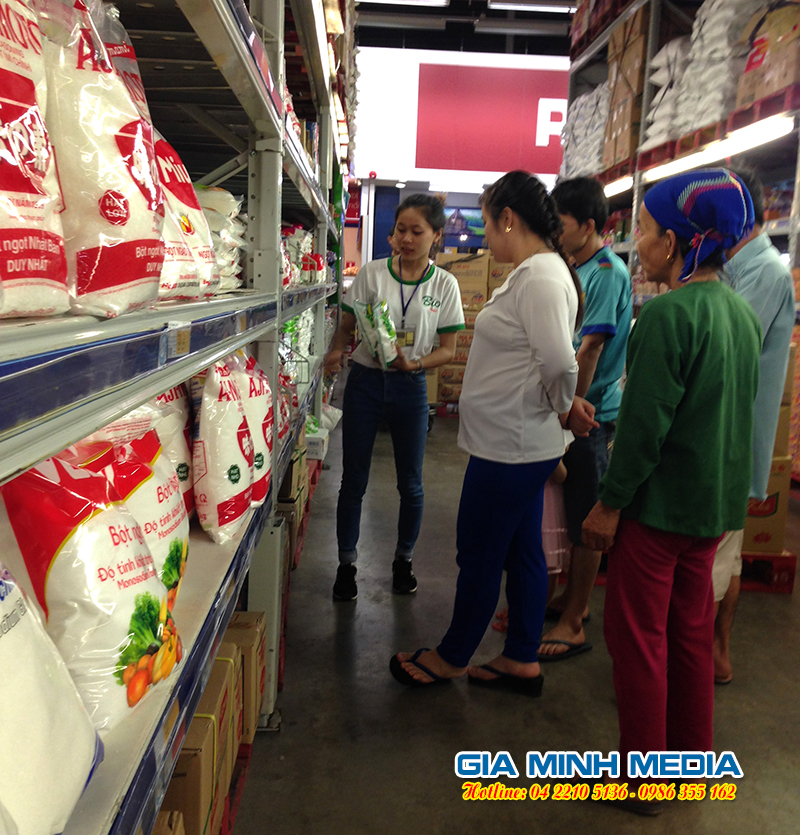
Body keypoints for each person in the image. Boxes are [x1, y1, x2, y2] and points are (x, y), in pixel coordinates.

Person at [582, 169, 762, 815]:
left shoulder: (664, 316)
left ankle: (642, 781)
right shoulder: (741, 315)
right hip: (712, 508)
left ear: (678, 241)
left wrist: (610, 502)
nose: (639, 243)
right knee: (689, 634)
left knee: (637, 639)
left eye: (646, 230)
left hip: (658, 510)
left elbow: (643, 427)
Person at [389, 170, 585, 694]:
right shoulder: (535, 273)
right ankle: (521, 657)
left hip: (510, 449)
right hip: (514, 444)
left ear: (508, 219)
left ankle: (453, 656)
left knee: (478, 552)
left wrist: (563, 409)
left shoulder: (541, 278)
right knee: (523, 553)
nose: (484, 236)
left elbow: (559, 364)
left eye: (487, 222)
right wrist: (560, 407)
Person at [324, 194, 465, 601]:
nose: (406, 239)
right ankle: (346, 564)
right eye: (401, 230)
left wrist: (415, 364)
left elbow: (448, 350)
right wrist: (336, 350)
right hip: (366, 382)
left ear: (436, 235)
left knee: (412, 483)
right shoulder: (372, 274)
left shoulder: (445, 285)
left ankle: (404, 559)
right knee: (353, 479)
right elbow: (347, 324)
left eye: (417, 231)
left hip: (410, 386)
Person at [539, 176, 632, 661]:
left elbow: (590, 347)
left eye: (563, 224)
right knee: (570, 513)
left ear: (590, 225)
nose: (556, 233)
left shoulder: (608, 272)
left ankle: (575, 619)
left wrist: (568, 408)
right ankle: (567, 601)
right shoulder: (575, 267)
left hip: (591, 416)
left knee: (586, 521)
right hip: (573, 410)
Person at [712, 168, 795, 685]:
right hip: (727, 436)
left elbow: (725, 349)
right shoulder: (739, 266)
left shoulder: (763, 270)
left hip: (733, 440)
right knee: (728, 554)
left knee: (717, 557)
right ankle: (714, 653)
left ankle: (706, 655)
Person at [493, 457, 570, 632]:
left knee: (546, 566)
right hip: (527, 502)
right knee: (522, 564)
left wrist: (546, 456)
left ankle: (534, 615)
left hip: (546, 509)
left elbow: (560, 475)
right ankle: (521, 608)